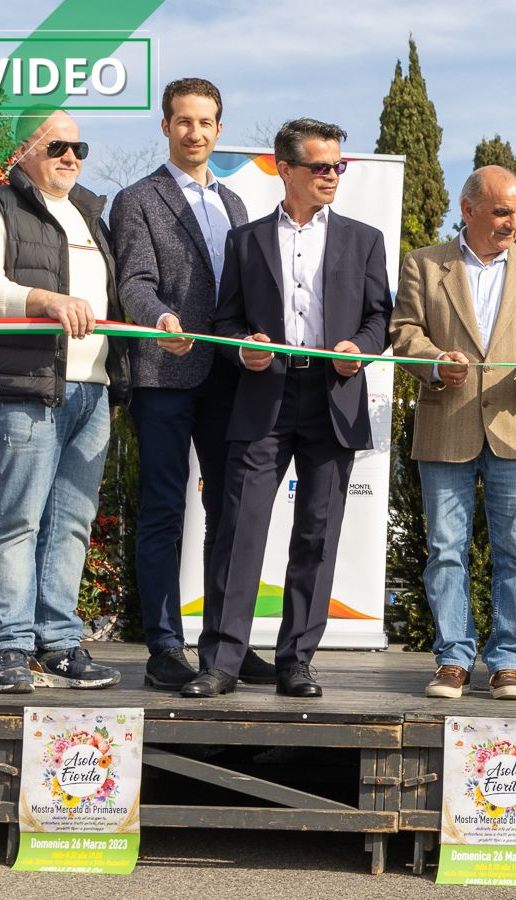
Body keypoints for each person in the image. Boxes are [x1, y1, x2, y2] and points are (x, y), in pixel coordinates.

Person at [183, 119, 391, 699]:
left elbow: (381, 318)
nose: (333, 176)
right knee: (238, 534)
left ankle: (296, 662)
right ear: (285, 169)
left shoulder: (364, 238)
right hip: (262, 400)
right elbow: (225, 320)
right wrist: (243, 346)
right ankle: (221, 663)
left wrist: (361, 350)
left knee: (317, 537)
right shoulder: (244, 240)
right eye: (322, 167)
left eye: (339, 166)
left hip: (334, 398)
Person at [0, 109, 129, 692]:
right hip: (24, 386)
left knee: (71, 523)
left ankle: (58, 643)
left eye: (80, 146)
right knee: (17, 520)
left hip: (93, 388)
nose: (71, 156)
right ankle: (7, 647)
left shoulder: (89, 215)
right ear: (25, 150)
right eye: (57, 146)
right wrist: (40, 299)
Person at [389, 165, 516, 701]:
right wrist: (432, 361)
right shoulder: (424, 264)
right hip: (446, 421)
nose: (512, 222)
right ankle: (452, 659)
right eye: (501, 212)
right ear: (467, 210)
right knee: (446, 549)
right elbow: (404, 332)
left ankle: (510, 661)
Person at [110, 77, 265, 692]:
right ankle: (164, 646)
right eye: (183, 121)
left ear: (219, 129)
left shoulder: (234, 205)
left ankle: (224, 646)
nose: (194, 132)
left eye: (205, 122)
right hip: (165, 375)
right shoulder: (136, 199)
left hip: (230, 378)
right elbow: (135, 283)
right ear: (166, 127)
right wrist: (157, 321)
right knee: (163, 514)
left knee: (232, 512)